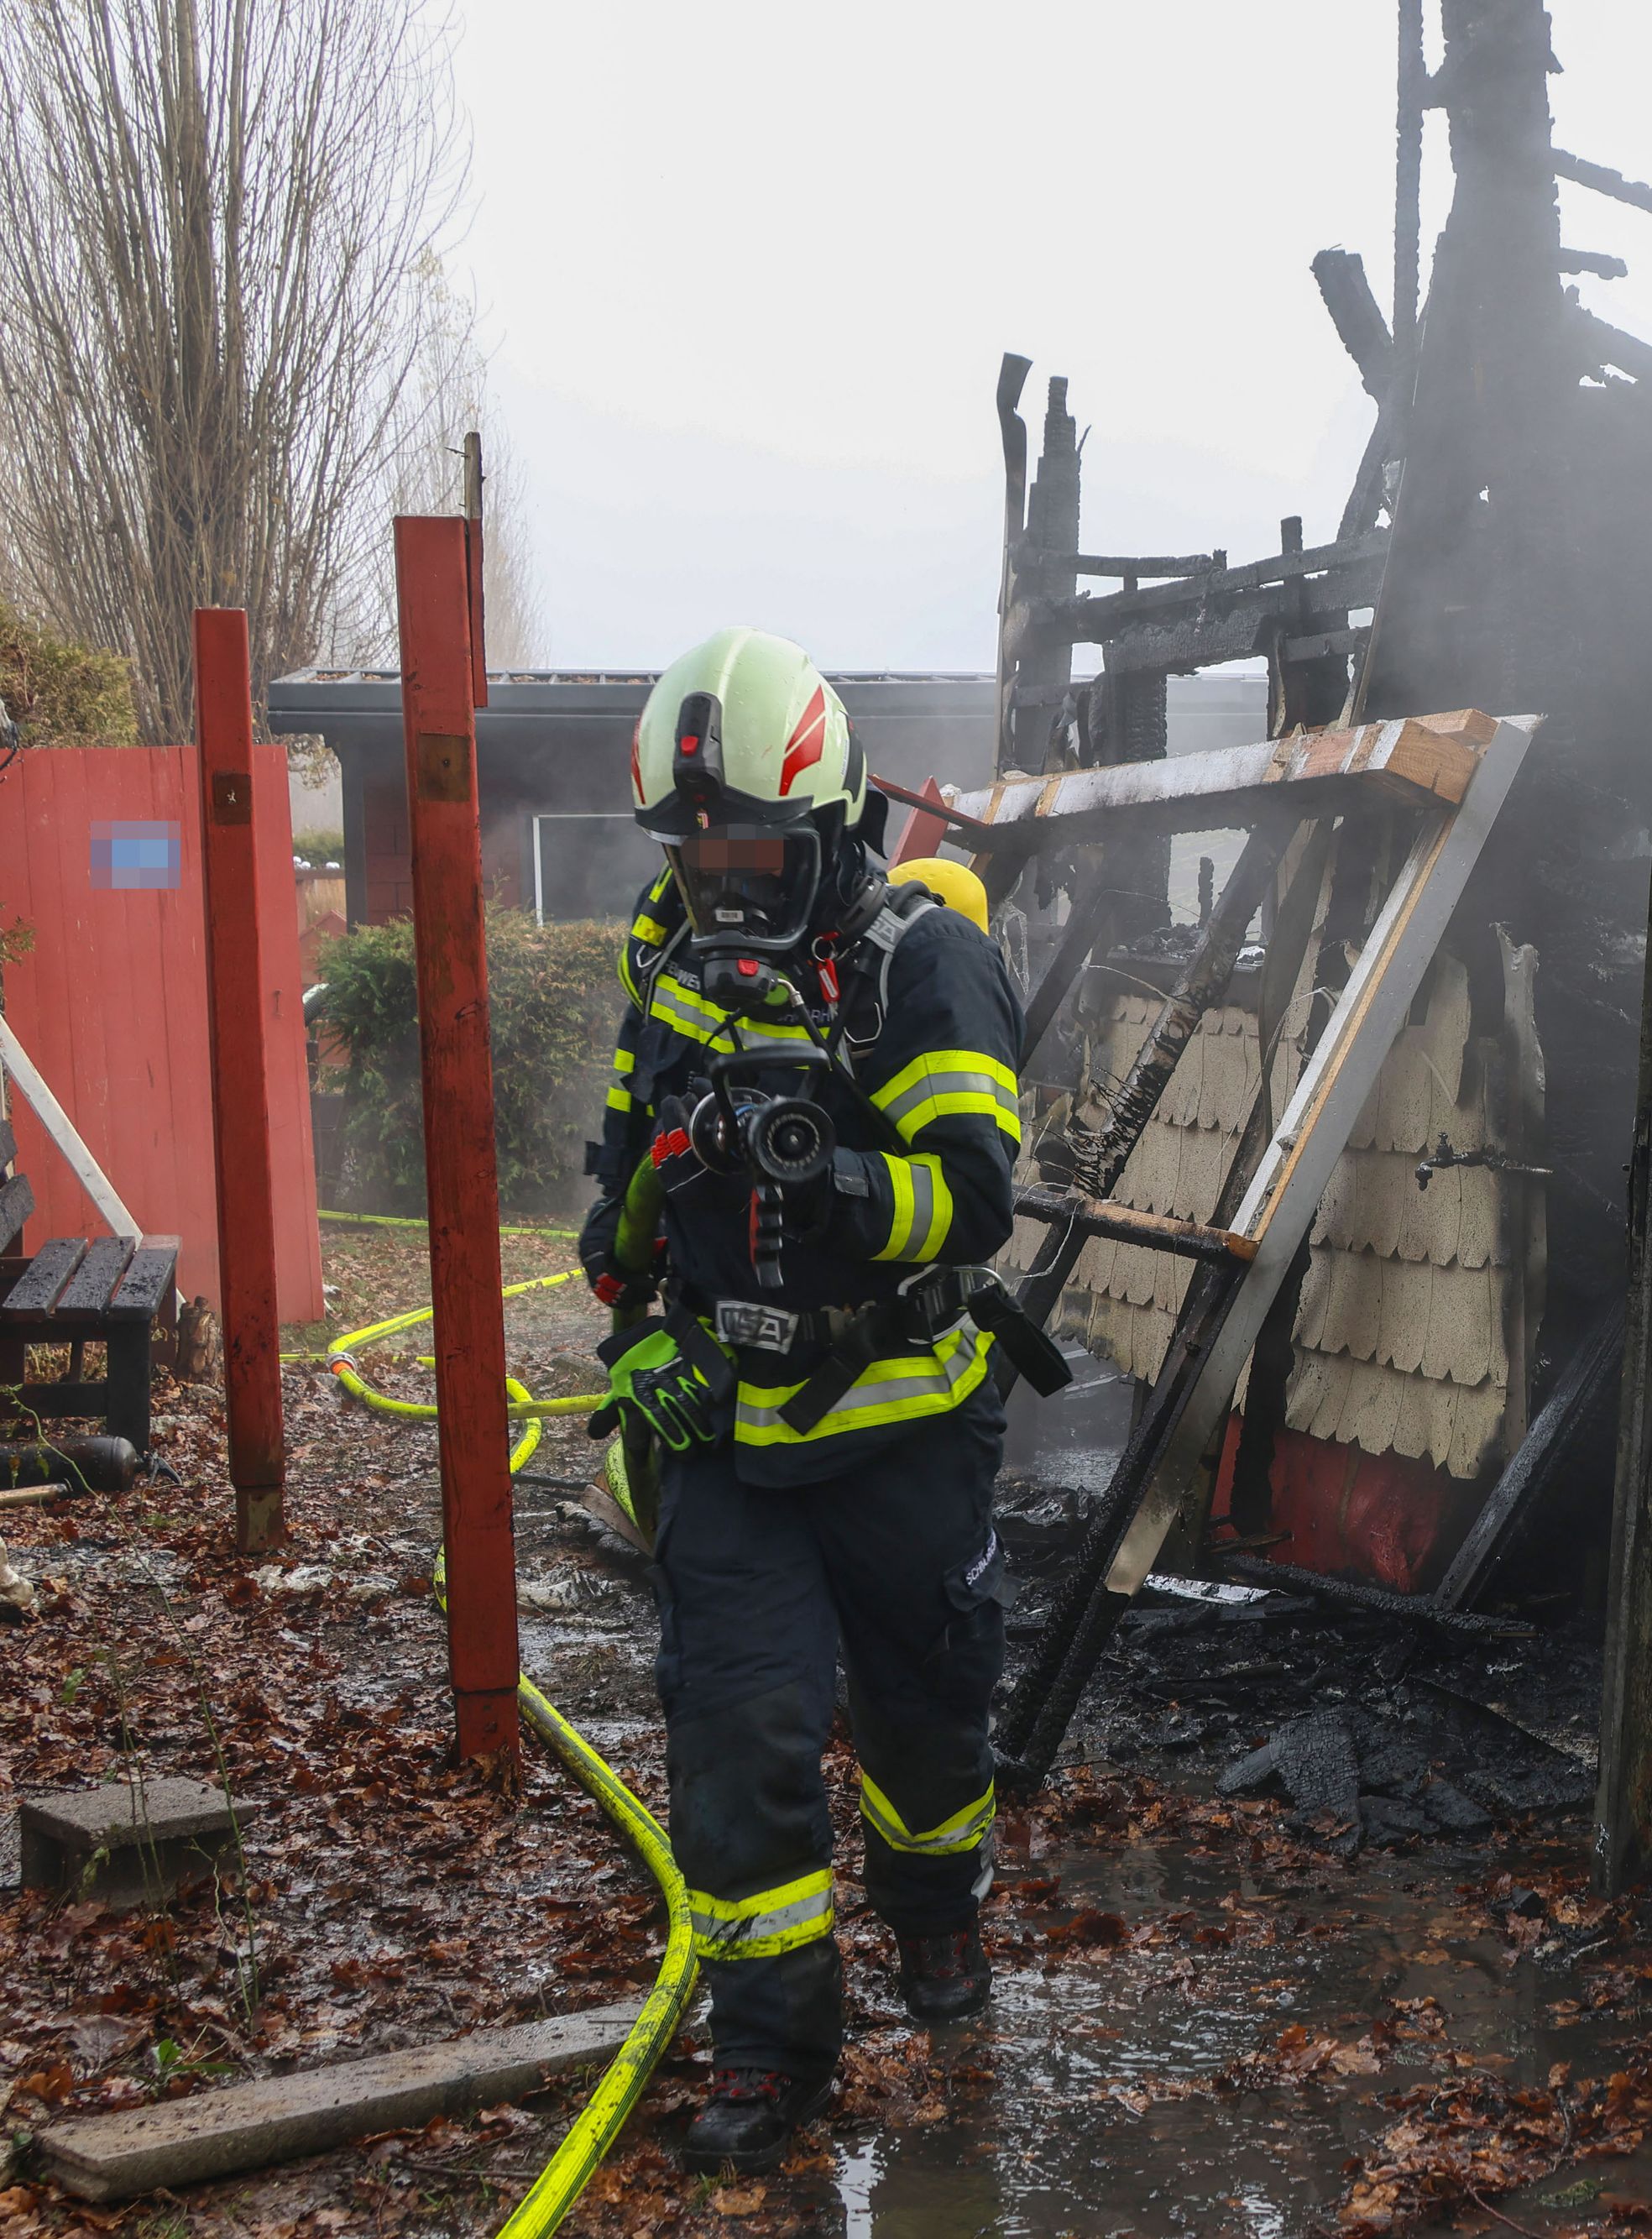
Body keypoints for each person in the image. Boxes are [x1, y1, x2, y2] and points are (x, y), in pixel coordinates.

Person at [576, 628, 1038, 2175]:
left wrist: (831, 1183)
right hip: (724, 1422)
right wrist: (621, 1222)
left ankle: (935, 1928)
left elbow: (974, 1199)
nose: (724, 880)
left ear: (827, 822)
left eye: (754, 846)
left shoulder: (921, 963)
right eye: (696, 850)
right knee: (738, 1730)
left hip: (901, 1419)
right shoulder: (669, 937)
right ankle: (771, 2051)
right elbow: (643, 1104)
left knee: (926, 1721)